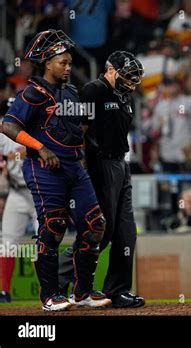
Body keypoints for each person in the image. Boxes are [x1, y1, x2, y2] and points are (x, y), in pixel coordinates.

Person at [2, 29, 110, 311]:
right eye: (62, 62)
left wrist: (82, 153)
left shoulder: (72, 91)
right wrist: (40, 147)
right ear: (47, 63)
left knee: (95, 224)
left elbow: (81, 126)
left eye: (70, 63)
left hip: (75, 169)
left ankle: (83, 292)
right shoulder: (31, 93)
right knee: (53, 227)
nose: (68, 67)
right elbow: (9, 126)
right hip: (44, 169)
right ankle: (50, 296)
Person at [58, 51, 145, 308]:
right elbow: (79, 132)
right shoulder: (93, 91)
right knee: (100, 232)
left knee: (127, 233)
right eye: (126, 75)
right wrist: (80, 168)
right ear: (110, 70)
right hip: (99, 164)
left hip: (122, 163)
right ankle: (56, 277)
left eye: (133, 77)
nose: (130, 81)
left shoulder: (124, 96)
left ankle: (117, 290)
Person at [0, 99, 37, 303]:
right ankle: (5, 291)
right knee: (7, 243)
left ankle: (50, 291)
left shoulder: (34, 126)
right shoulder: (3, 133)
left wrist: (17, 154)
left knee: (44, 241)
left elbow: (37, 148)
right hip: (16, 191)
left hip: (38, 191)